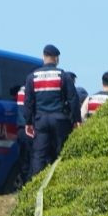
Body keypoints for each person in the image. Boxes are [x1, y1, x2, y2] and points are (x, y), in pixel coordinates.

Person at [22, 44, 81, 178]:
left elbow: (28, 102)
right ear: (56, 59)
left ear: (43, 57)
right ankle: (60, 181)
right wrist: (77, 120)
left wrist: (28, 122)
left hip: (40, 121)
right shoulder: (63, 75)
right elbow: (73, 99)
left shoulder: (32, 77)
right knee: (61, 153)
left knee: (39, 155)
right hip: (60, 120)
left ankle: (36, 184)